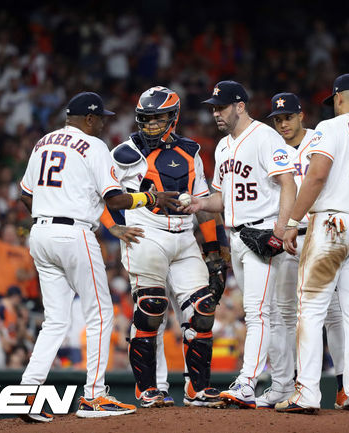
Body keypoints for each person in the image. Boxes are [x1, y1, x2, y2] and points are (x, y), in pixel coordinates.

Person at [18, 91, 178, 422]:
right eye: (100, 118)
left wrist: (51, 213)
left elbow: (25, 194)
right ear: (89, 118)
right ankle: (94, 396)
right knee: (101, 313)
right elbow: (115, 200)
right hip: (73, 234)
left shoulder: (43, 142)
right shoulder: (94, 146)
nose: (104, 123)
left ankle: (27, 394)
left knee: (55, 320)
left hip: (41, 232)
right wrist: (150, 197)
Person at [101, 86, 227, 408]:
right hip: (148, 233)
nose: (152, 124)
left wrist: (214, 252)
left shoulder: (191, 151)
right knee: (151, 308)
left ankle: (196, 389)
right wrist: (113, 226)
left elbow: (203, 205)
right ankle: (148, 390)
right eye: (147, 118)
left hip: (185, 236)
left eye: (158, 118)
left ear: (173, 117)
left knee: (202, 310)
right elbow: (101, 194)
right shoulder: (125, 153)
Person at [278, 74, 349, 414]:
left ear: (338, 99)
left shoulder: (330, 127)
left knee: (311, 308)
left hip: (331, 222)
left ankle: (308, 393)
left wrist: (292, 222)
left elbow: (316, 176)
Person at [182, 80, 297, 408]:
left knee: (258, 313)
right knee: (268, 314)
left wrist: (281, 226)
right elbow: (222, 198)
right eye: (213, 108)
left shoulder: (264, 136)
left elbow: (288, 183)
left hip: (263, 234)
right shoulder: (222, 146)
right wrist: (199, 204)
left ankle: (247, 381)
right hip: (239, 237)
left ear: (240, 106)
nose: (216, 113)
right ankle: (282, 386)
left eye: (221, 107)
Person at [259, 92, 346, 409]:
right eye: (278, 119)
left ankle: (343, 386)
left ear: (301, 116)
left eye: (287, 117)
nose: (282, 123)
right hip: (284, 238)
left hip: (320, 233)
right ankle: (283, 386)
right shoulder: (270, 146)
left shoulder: (320, 139)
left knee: (333, 315)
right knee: (281, 314)